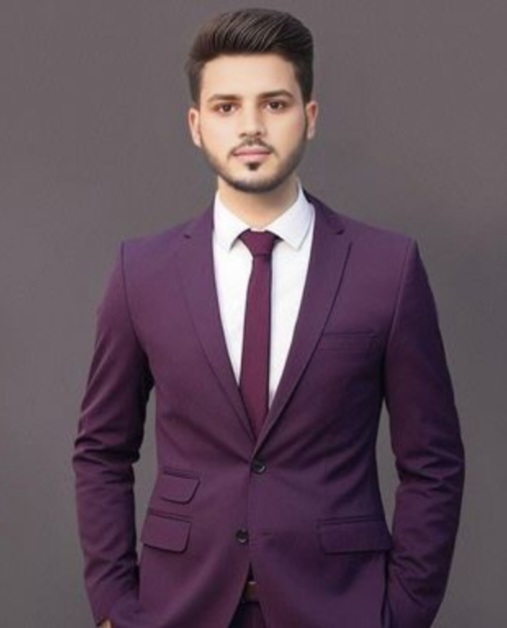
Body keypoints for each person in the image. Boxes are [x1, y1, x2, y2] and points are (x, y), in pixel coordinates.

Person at [73, 8, 465, 628]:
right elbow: (101, 451)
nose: (251, 126)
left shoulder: (387, 269)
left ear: (309, 116)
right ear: (196, 125)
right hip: (178, 606)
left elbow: (433, 460)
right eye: (227, 106)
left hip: (341, 608)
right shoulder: (140, 272)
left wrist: (404, 611)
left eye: (274, 104)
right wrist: (114, 609)